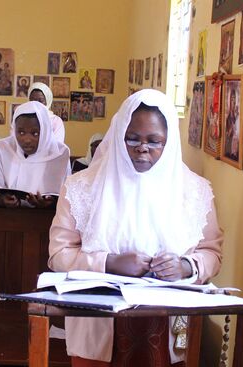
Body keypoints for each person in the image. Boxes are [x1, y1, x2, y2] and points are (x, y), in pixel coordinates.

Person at [48, 89, 222, 366]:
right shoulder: (82, 188)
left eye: (155, 141)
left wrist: (187, 266)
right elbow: (59, 255)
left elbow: (211, 253)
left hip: (167, 324)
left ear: (170, 143)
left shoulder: (195, 191)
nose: (143, 148)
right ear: (117, 136)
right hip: (100, 325)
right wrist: (110, 263)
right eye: (132, 138)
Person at [0, 101, 70, 209]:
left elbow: (68, 197)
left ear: (45, 131)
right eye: (21, 132)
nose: (27, 140)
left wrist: (50, 204)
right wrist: (0, 199)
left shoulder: (60, 153)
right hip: (8, 218)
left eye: (35, 133)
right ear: (14, 130)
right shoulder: (2, 148)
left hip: (47, 221)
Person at [223, 89, 239, 161]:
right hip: (229, 147)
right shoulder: (228, 116)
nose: (234, 101)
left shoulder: (236, 114)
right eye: (232, 99)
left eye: (235, 98)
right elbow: (227, 134)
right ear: (229, 101)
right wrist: (231, 129)